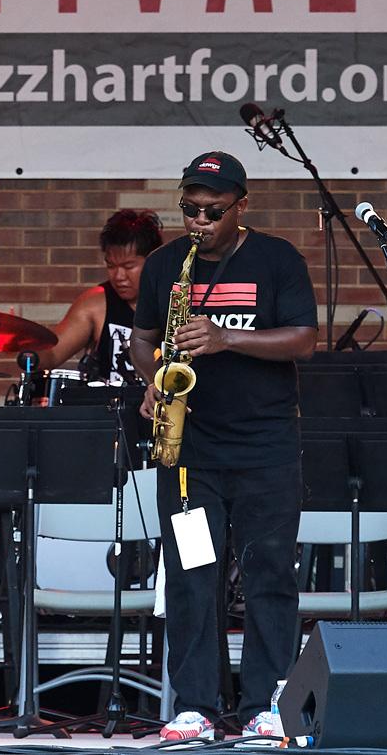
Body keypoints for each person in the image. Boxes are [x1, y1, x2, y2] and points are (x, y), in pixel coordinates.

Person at [130, 151, 317, 741]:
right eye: (189, 208)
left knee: (269, 576)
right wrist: (154, 381)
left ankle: (267, 705)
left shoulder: (277, 258)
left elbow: (305, 340)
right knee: (191, 577)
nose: (199, 220)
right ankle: (196, 707)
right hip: (191, 452)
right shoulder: (165, 266)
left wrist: (226, 338)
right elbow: (142, 338)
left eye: (212, 210)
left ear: (242, 205)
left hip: (266, 446)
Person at [38, 208, 163, 390]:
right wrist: (20, 342)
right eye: (111, 266)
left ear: (153, 260)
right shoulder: (95, 303)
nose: (119, 276)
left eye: (129, 266)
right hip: (110, 413)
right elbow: (52, 354)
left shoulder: (176, 296)